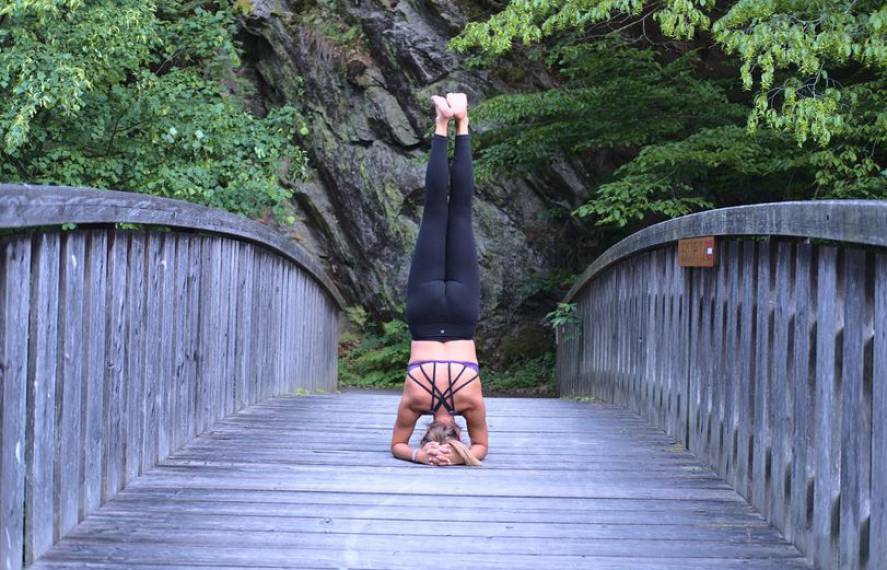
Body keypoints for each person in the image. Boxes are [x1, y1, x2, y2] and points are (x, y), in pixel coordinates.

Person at [390, 92, 489, 467]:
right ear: (428, 429)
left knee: (459, 214)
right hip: (426, 314)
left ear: (458, 433)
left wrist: (458, 457)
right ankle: (443, 122)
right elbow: (397, 445)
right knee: (436, 213)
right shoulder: (413, 403)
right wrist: (418, 454)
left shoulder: (471, 404)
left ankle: (461, 122)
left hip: (462, 317)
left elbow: (482, 447)